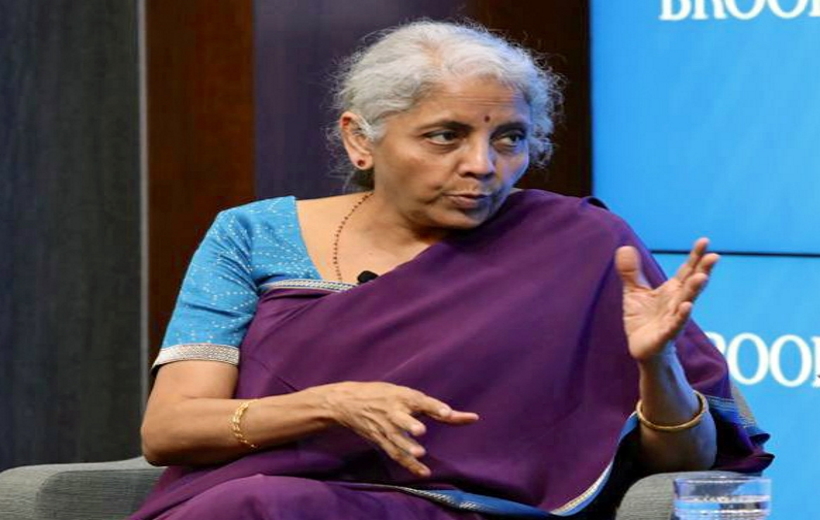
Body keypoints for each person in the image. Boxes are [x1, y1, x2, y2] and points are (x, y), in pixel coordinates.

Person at [131, 20, 772, 520]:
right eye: (445, 136)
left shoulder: (583, 244)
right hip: (267, 499)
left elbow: (690, 465)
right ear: (361, 139)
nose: (482, 165)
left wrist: (656, 364)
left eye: (509, 138)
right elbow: (170, 429)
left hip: (481, 510)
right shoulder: (254, 235)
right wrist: (329, 406)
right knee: (256, 506)